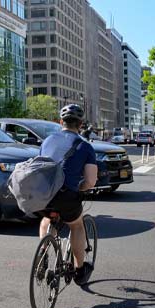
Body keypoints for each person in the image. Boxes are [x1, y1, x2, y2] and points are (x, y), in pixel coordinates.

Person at [38, 104, 98, 286]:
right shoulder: (85, 147)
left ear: (60, 122)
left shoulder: (47, 141)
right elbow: (90, 181)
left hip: (44, 194)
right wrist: (81, 187)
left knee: (46, 220)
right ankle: (79, 270)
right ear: (80, 125)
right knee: (77, 226)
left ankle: (42, 256)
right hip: (67, 196)